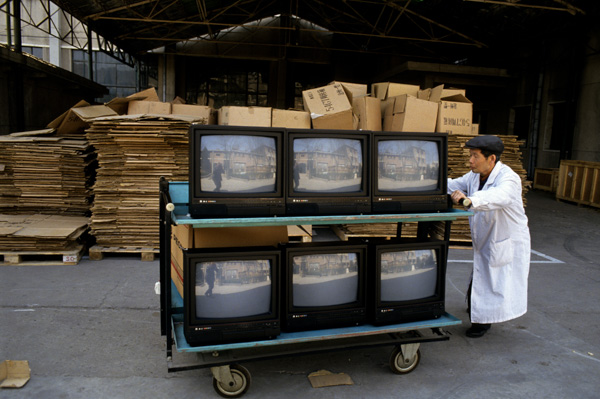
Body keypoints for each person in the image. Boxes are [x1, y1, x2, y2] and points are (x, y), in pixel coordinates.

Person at [447, 135, 531, 338]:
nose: (471, 161)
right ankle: (477, 308)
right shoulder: (474, 176)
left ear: (491, 158)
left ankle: (482, 321)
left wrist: (469, 200)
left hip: (505, 239)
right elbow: (453, 185)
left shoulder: (508, 178)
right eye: (470, 156)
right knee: (482, 272)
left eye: (475, 156)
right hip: (487, 237)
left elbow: (497, 196)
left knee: (493, 278)